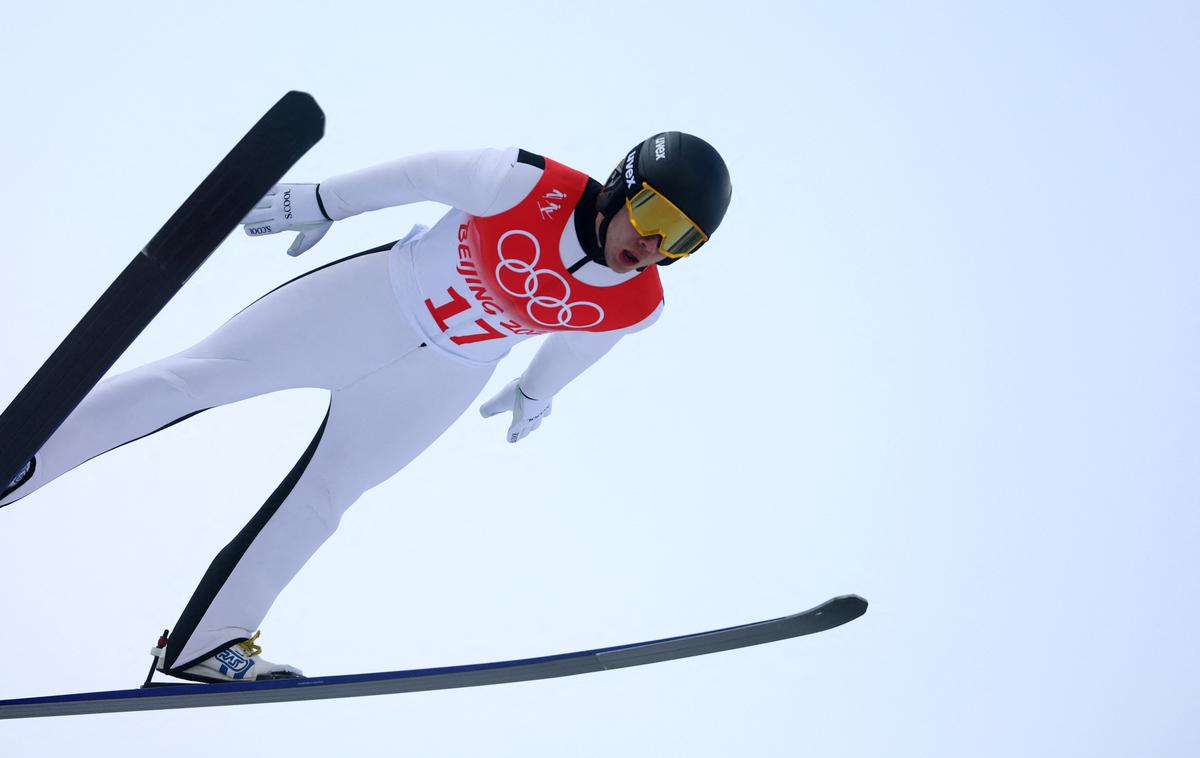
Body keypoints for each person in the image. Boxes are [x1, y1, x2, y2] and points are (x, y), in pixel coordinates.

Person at [0, 132, 732, 683]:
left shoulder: (637, 304)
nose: (652, 243)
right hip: (368, 303)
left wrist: (536, 392)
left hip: (442, 379)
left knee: (327, 497)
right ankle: (24, 459)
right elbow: (419, 174)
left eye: (682, 239)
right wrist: (324, 200)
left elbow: (583, 343)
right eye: (653, 212)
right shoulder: (519, 180)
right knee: (197, 381)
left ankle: (208, 642)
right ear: (619, 185)